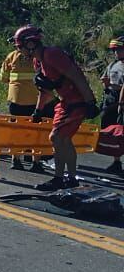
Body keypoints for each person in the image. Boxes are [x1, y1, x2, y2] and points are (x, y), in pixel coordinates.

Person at [19, 25, 98, 190]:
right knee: (63, 139)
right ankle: (69, 179)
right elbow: (45, 90)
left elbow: (77, 76)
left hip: (76, 101)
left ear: (30, 44)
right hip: (65, 102)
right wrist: (38, 110)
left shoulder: (52, 55)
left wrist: (90, 102)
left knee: (56, 137)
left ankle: (60, 179)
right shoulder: (38, 62)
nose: (20, 51)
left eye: (20, 47)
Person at [0, 37, 39, 118]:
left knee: (16, 127)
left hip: (15, 100)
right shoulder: (38, 57)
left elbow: (3, 78)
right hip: (36, 101)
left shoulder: (11, 56)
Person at [100, 38, 124, 129]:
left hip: (121, 101)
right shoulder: (112, 65)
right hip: (109, 100)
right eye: (115, 50)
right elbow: (105, 83)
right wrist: (106, 83)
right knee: (105, 128)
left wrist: (110, 85)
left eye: (119, 50)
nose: (116, 53)